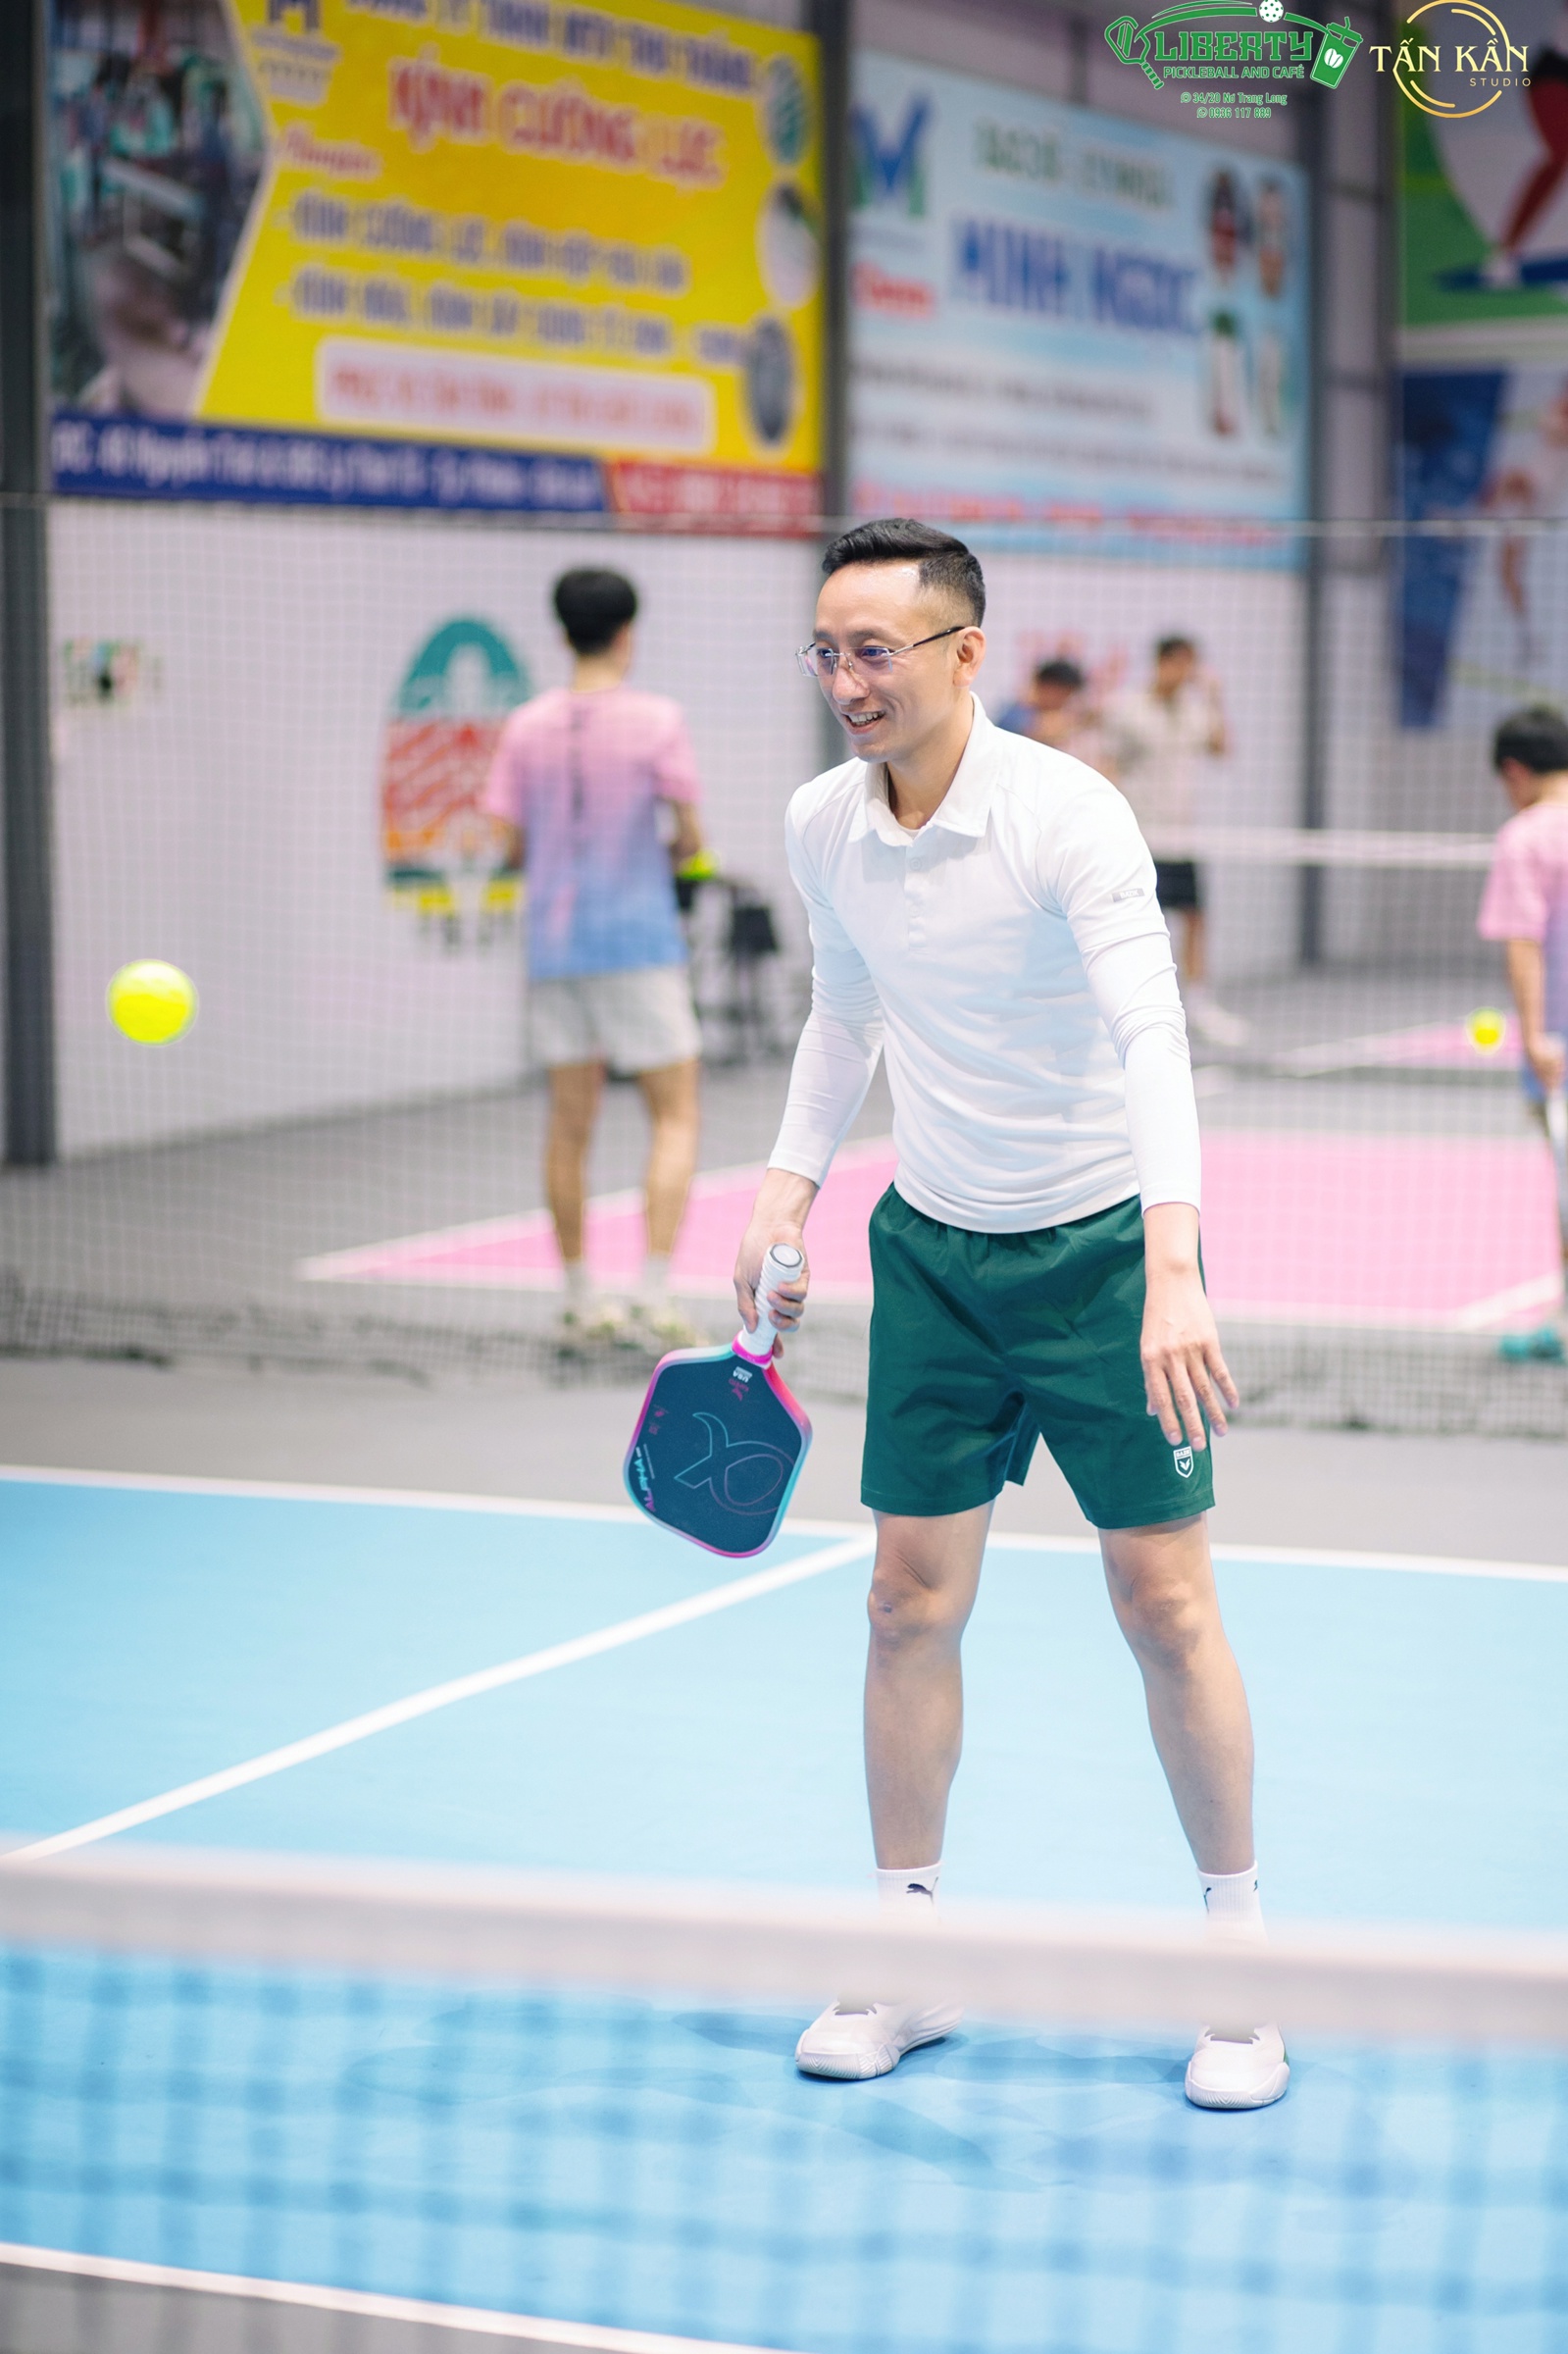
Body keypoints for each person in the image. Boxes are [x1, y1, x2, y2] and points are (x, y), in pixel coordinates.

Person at [733, 519, 1285, 2112]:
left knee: (1160, 1603)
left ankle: (1242, 1969)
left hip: (1102, 1253)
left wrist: (1171, 1266)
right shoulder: (823, 823)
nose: (846, 680)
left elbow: (1149, 1035)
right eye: (826, 652)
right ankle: (905, 1950)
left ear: (961, 653)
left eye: (873, 651)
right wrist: (783, 1188)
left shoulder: (1067, 814)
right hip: (933, 1255)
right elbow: (842, 1012)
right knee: (902, 1601)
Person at [483, 568, 708, 1345]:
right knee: (674, 1115)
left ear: (561, 634)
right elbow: (689, 838)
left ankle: (580, 1298)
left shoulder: (524, 727)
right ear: (625, 634)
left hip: (554, 949)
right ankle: (652, 1295)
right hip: (638, 942)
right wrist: (670, 856)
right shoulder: (657, 720)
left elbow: (508, 844)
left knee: (568, 1125)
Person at [1479, 705, 1568, 1363]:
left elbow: (1522, 945)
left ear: (1514, 770)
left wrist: (1535, 1037)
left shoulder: (1526, 837)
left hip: (1558, 1047)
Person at [1104, 636, 1246, 1048]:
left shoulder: (1194, 710)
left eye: (1191, 666)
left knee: (1195, 918)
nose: (1186, 674)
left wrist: (1216, 698)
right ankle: (1134, 1009)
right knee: (1140, 926)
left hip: (1183, 838)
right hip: (1142, 839)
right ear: (1162, 663)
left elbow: (1221, 748)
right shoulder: (1128, 709)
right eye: (1180, 664)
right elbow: (1108, 764)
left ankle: (1198, 1005)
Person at [997, 657, 1089, 751]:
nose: (1064, 701)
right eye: (1062, 694)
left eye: (1068, 695)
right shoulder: (1016, 714)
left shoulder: (1058, 716)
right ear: (1044, 686)